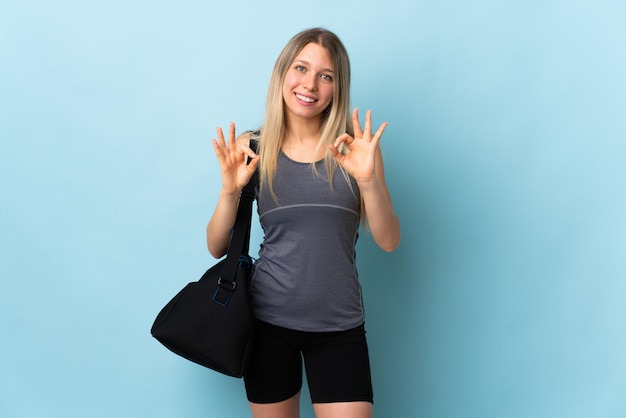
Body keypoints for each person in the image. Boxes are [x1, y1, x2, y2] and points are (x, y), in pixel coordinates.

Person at [206, 27, 400, 418]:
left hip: (339, 327)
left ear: (337, 87)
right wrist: (229, 191)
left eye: (325, 76)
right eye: (301, 68)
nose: (309, 84)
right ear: (283, 73)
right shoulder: (252, 148)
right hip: (267, 325)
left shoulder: (356, 150)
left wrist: (367, 181)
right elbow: (215, 247)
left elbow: (389, 239)